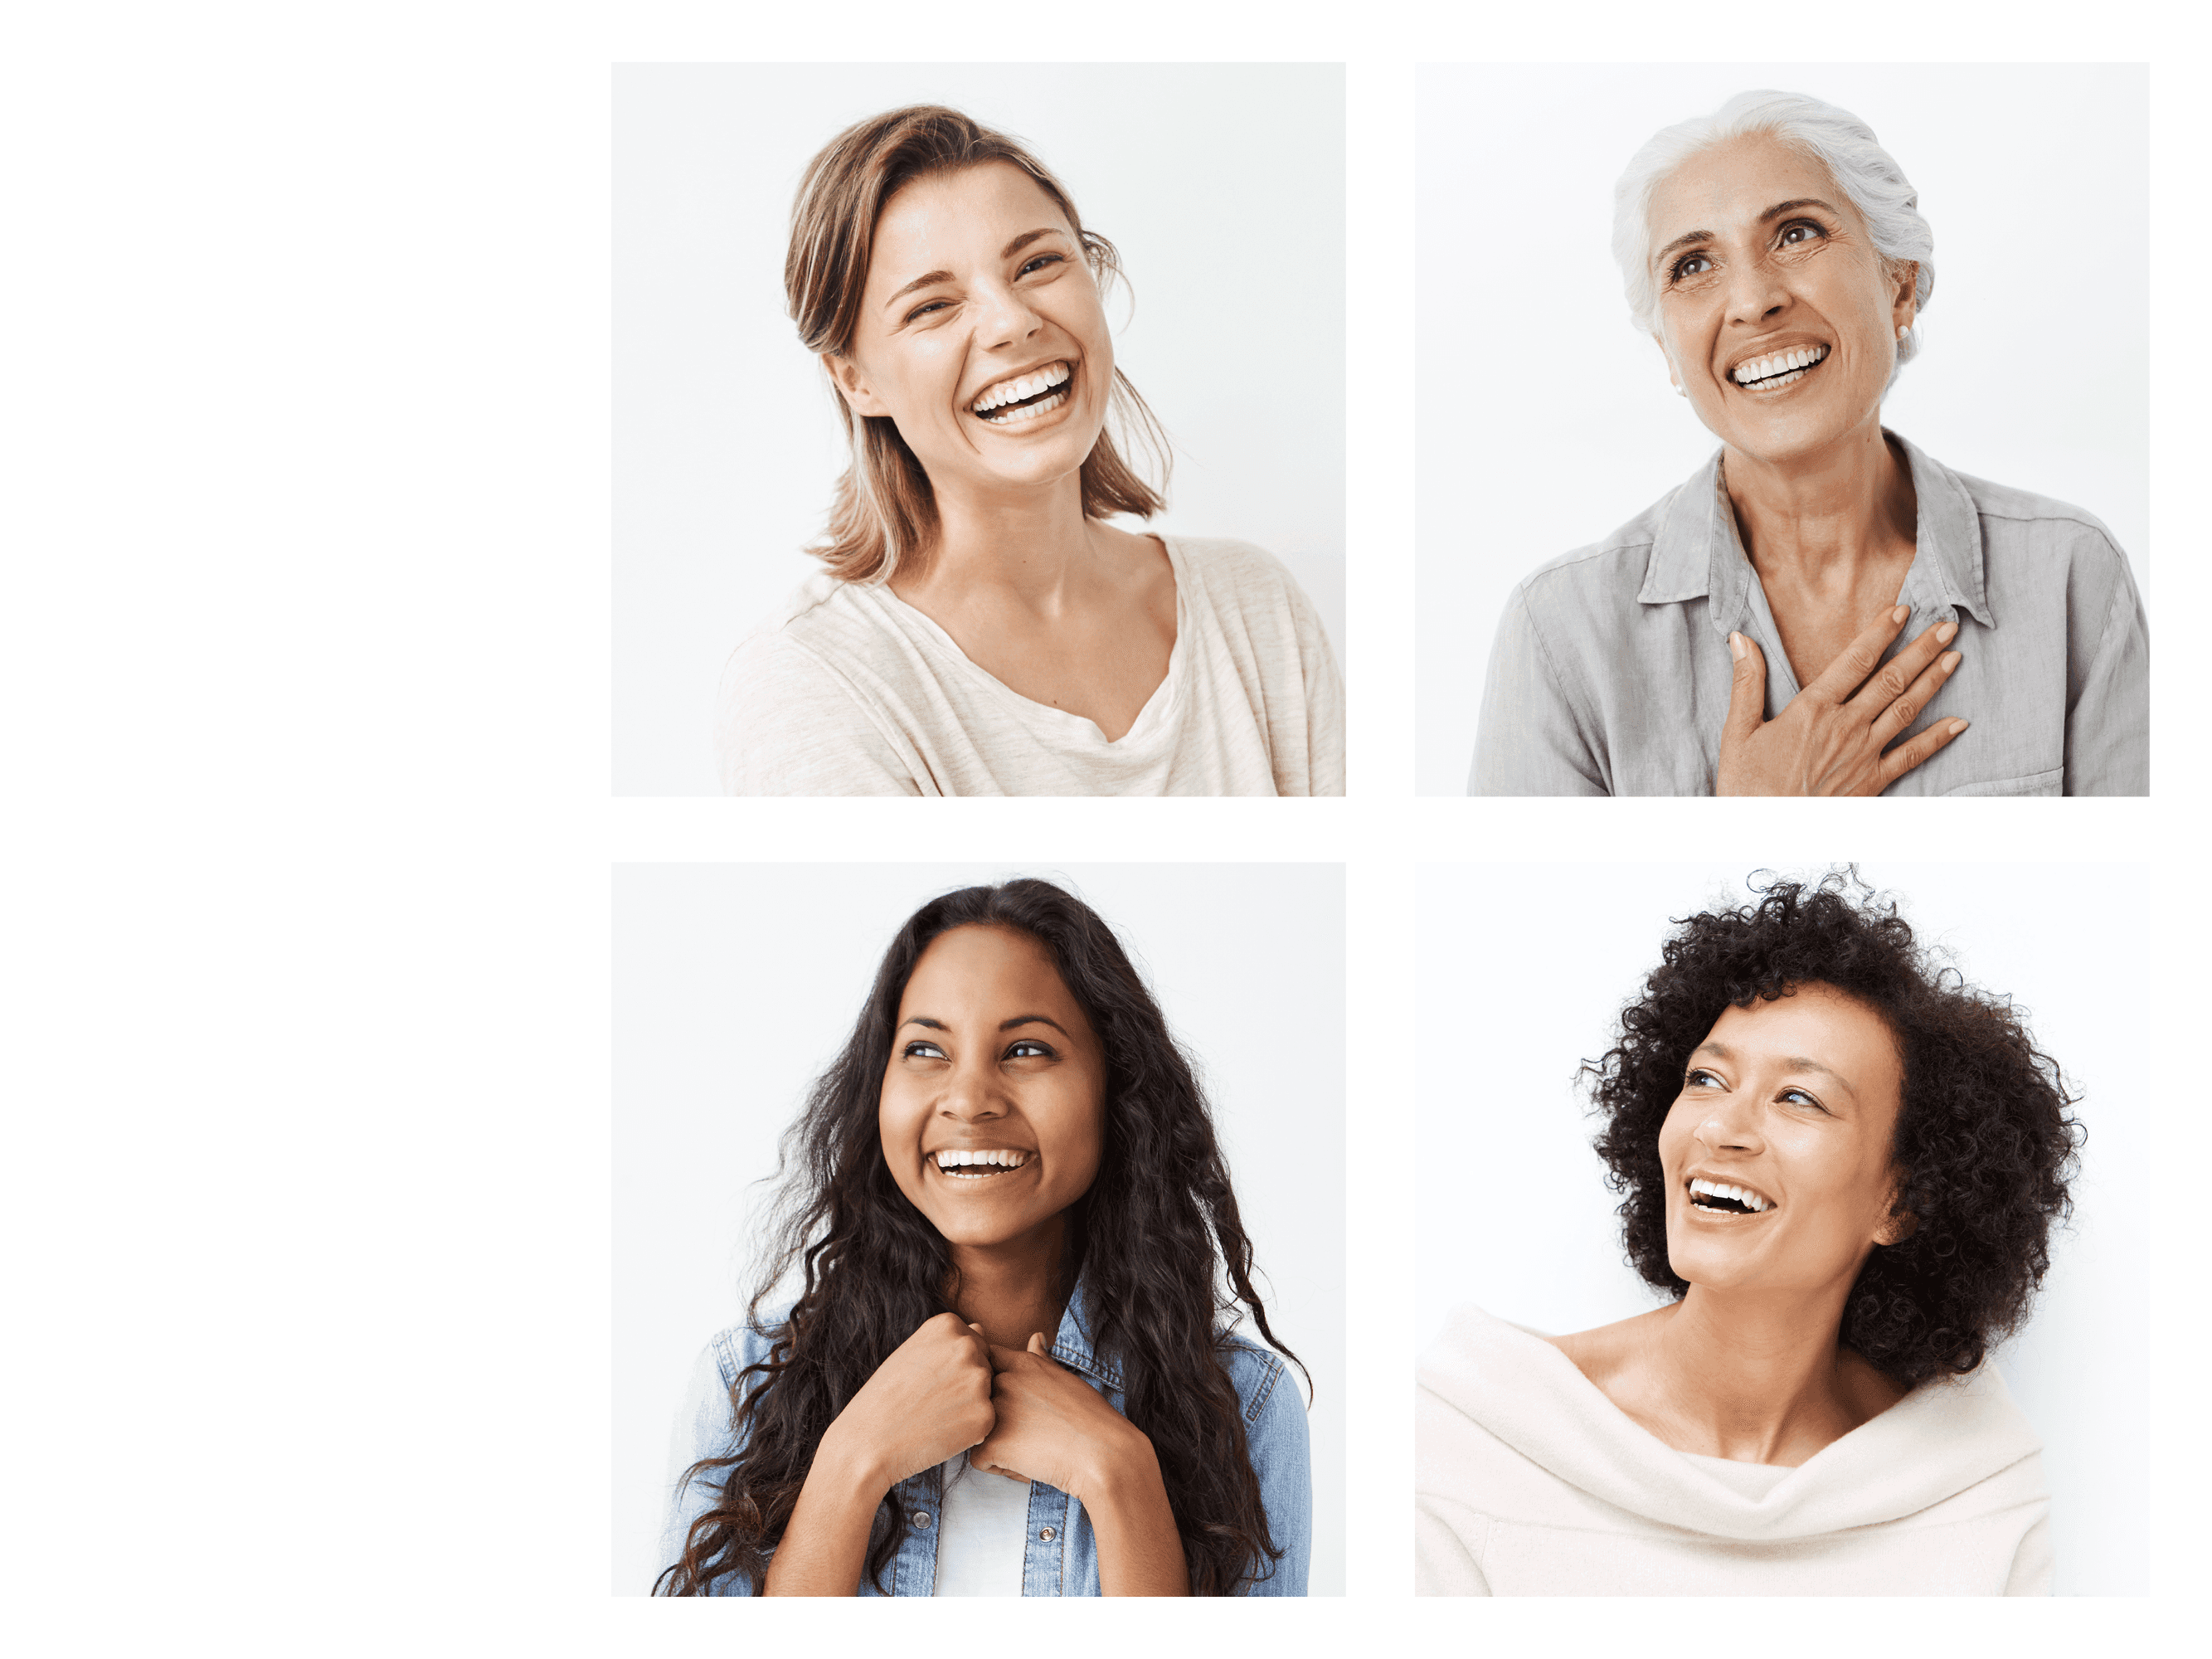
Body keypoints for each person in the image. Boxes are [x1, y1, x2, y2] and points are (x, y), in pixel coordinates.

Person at [1417, 873, 2080, 1593]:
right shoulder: (1474, 1436)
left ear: (1901, 1200)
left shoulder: (1974, 1488)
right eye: (1706, 1079)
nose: (1720, 1128)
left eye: (1798, 1097)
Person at [1470, 90, 2146, 795]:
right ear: (1668, 351)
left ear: (1900, 285)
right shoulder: (1560, 635)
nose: (1752, 300)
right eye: (1692, 266)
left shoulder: (2070, 574)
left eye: (1795, 233)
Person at [657, 878, 1311, 1594]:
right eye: (926, 1051)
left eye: (1027, 1049)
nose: (968, 1100)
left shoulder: (1241, 1405)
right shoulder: (745, 1384)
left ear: (1114, 1091)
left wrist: (1119, 1478)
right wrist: (853, 1460)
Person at [717, 106, 1344, 795]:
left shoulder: (1254, 606)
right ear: (855, 380)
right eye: (931, 306)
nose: (1012, 322)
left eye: (1038, 263)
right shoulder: (813, 680)